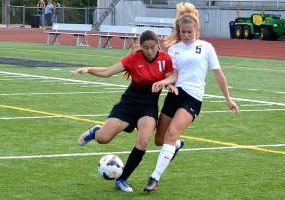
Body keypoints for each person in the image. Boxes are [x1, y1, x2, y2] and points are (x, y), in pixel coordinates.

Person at [143, 2, 239, 192]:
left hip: (192, 99)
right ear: (179, 31)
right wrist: (166, 83)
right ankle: (177, 145)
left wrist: (228, 99)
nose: (186, 35)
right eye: (183, 32)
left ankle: (154, 177)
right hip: (174, 95)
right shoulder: (174, 49)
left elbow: (218, 74)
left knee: (171, 134)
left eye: (189, 32)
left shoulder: (206, 48)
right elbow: (173, 75)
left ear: (197, 30)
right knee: (160, 140)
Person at [72, 30, 179, 192]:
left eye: (152, 47)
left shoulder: (165, 59)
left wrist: (169, 84)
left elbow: (170, 76)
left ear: (158, 45)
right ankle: (95, 132)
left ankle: (122, 179)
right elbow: (108, 71)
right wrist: (88, 69)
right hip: (129, 104)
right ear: (140, 47)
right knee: (103, 139)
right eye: (145, 48)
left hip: (149, 106)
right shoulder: (133, 59)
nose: (149, 51)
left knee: (143, 141)